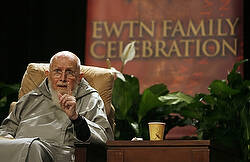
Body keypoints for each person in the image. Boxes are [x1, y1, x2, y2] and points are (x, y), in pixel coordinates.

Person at [0, 51, 114, 162]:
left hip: (58, 153)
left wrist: (76, 118)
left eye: (69, 72)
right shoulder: (30, 98)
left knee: (33, 147)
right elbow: (6, 130)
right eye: (57, 72)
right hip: (21, 148)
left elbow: (103, 138)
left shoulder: (89, 99)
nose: (63, 78)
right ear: (48, 75)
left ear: (79, 77)